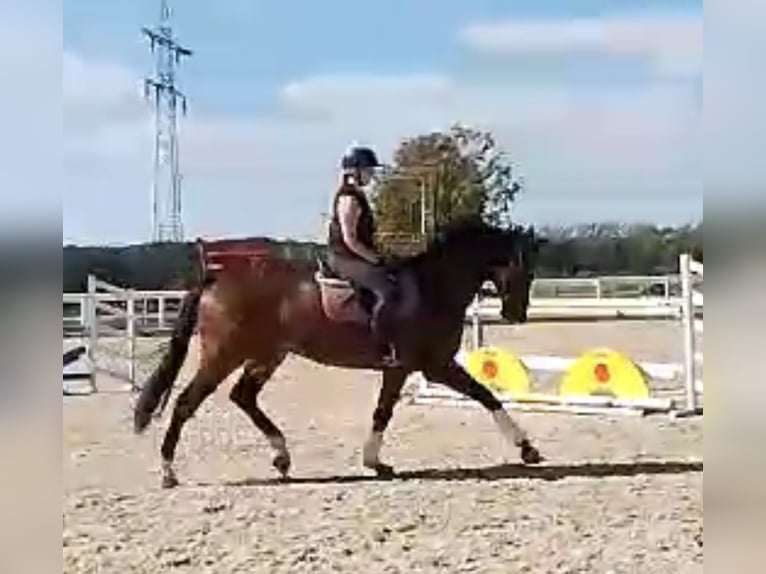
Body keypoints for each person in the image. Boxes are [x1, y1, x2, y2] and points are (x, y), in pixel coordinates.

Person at [326, 145, 401, 366]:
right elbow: (350, 239)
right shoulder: (348, 199)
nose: (372, 175)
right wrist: (376, 259)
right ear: (354, 171)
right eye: (369, 170)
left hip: (356, 256)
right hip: (345, 258)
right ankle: (381, 349)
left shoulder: (358, 195)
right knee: (387, 290)